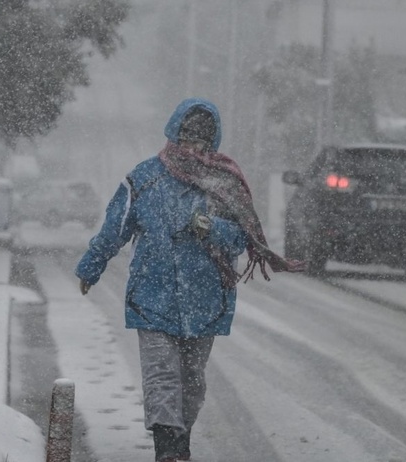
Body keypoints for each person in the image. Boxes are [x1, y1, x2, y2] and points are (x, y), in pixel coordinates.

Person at [74, 97, 305, 462]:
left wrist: (212, 228)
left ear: (212, 142)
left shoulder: (224, 184)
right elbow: (115, 228)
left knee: (192, 382)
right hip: (151, 297)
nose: (192, 146)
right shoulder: (144, 179)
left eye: (201, 140)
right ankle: (169, 448)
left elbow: (240, 239)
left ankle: (179, 439)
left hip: (205, 301)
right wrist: (91, 266)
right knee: (161, 377)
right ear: (173, 134)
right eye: (186, 137)